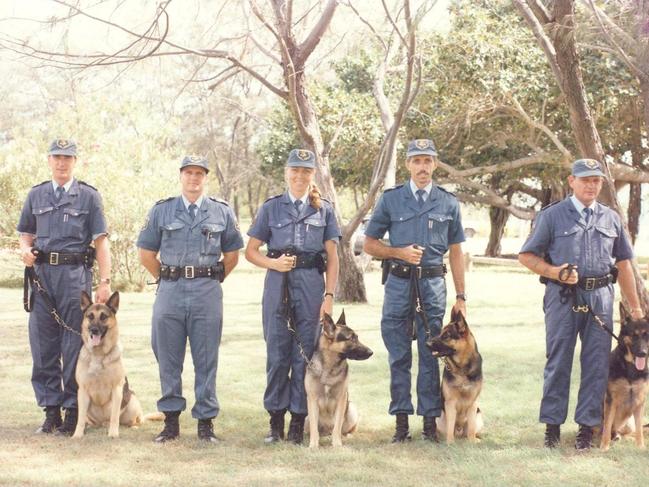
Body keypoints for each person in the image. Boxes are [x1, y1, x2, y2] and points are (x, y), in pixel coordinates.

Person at [518, 158, 643, 451]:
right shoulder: (552, 216)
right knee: (558, 360)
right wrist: (554, 272)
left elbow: (623, 262)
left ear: (602, 183)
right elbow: (527, 255)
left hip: (600, 298)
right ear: (571, 182)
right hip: (562, 297)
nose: (591, 185)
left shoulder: (611, 218)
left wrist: (635, 307)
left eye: (596, 180)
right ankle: (552, 427)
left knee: (597, 364)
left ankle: (587, 428)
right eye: (585, 179)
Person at [363, 138, 466, 443]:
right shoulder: (391, 199)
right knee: (398, 355)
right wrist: (398, 252)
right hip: (399, 284)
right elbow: (370, 244)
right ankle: (401, 424)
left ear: (435, 164)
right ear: (408, 164)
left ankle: (430, 424)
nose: (422, 167)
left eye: (428, 161)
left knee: (431, 353)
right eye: (417, 161)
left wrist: (461, 297)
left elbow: (457, 251)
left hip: (433, 285)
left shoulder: (448, 202)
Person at [137, 155, 243, 443]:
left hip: (207, 290)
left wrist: (210, 276)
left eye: (199, 173)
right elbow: (146, 253)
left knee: (206, 357)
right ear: (181, 176)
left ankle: (205, 423)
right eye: (189, 173)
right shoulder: (162, 210)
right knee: (168, 356)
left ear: (205, 177)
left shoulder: (220, 211)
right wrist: (169, 276)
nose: (194, 178)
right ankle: (170, 422)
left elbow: (232, 255)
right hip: (170, 290)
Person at [245, 148, 340, 445]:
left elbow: (333, 257)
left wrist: (328, 295)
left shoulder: (323, 209)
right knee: (277, 354)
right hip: (278, 284)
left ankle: (299, 421)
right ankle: (276, 422)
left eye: (306, 171)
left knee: (306, 356)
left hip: (311, 285)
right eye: (295, 170)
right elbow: (250, 251)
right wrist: (272, 263)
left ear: (313, 175)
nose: (299, 176)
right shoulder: (271, 207)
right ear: (286, 172)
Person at [17, 138, 112, 436]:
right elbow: (25, 234)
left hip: (74, 277)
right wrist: (24, 250)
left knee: (74, 344)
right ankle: (50, 411)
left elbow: (101, 242)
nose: (62, 163)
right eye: (57, 157)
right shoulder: (36, 194)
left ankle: (73, 410)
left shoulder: (89, 197)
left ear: (75, 162)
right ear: (49, 160)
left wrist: (104, 283)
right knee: (43, 344)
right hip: (42, 278)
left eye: (67, 158)